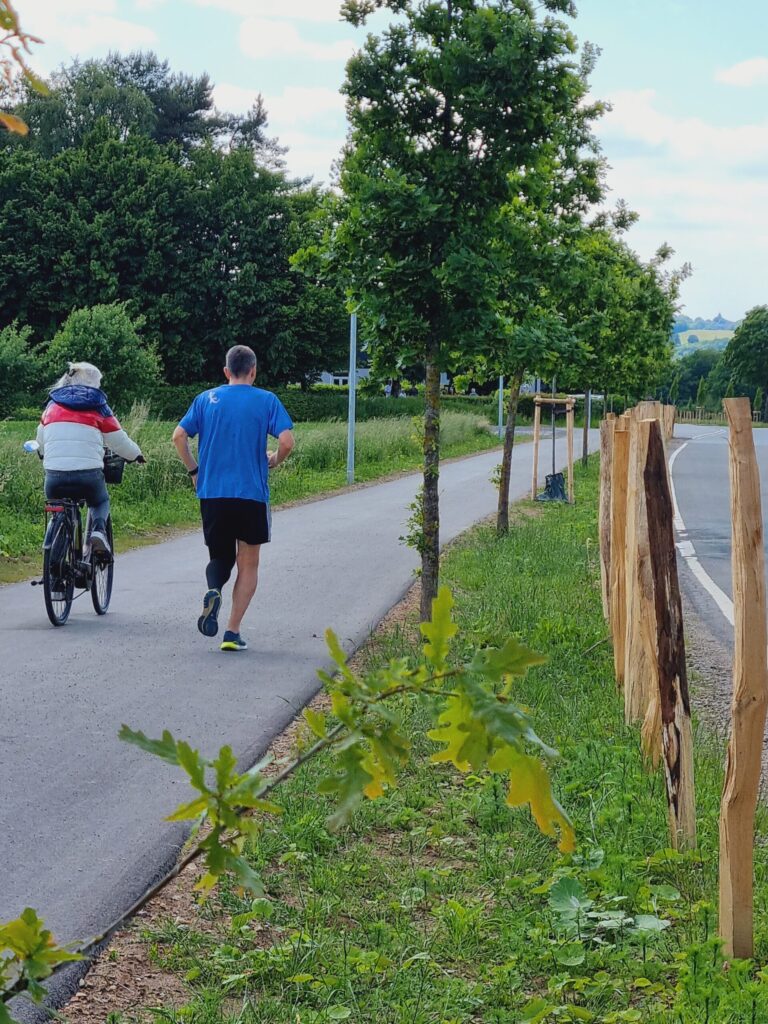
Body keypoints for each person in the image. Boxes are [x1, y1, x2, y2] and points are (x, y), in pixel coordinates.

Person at [172, 345, 295, 652]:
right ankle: (232, 631)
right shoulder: (267, 400)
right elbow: (287, 441)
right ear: (253, 371)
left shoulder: (205, 399)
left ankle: (214, 589)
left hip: (212, 492)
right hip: (251, 494)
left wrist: (194, 471)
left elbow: (178, 436)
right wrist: (275, 459)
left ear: (226, 371)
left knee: (220, 557)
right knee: (248, 563)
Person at [36, 362, 143, 554]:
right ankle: (99, 531)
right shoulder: (99, 406)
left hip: (54, 477)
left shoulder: (51, 407)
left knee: (56, 505)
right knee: (100, 501)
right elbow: (119, 440)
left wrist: (42, 453)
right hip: (88, 476)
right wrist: (136, 455)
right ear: (93, 383)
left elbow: (41, 439)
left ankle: (54, 547)